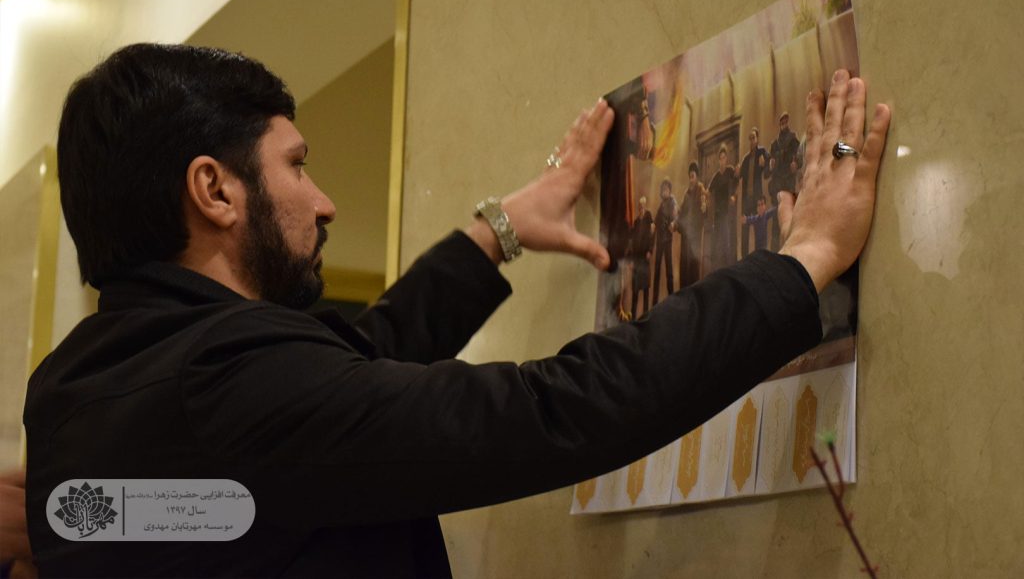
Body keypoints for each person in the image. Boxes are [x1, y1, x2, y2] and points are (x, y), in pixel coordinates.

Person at [22, 45, 888, 577]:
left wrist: (498, 230)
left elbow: (351, 383)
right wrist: (803, 258)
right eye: (296, 164)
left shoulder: (76, 393)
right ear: (214, 189)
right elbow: (551, 411)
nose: (323, 202)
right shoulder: (225, 386)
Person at [768, 111, 802, 250]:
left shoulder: (793, 140)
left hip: (788, 183)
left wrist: (796, 164)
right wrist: (771, 164)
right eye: (781, 122)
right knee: (776, 220)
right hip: (777, 184)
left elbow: (799, 157)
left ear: (788, 122)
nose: (783, 124)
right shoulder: (774, 144)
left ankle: (788, 250)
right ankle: (774, 251)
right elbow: (770, 164)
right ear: (779, 124)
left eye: (785, 121)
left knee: (788, 218)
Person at [737, 128, 770, 256]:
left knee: (759, 229)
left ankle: (759, 258)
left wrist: (764, 163)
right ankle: (744, 259)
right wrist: (737, 172)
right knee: (744, 228)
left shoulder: (762, 152)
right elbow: (738, 176)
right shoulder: (745, 159)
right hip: (747, 200)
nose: (751, 141)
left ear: (757, 139)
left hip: (757, 199)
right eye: (750, 138)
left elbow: (769, 165)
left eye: (753, 138)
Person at [675, 162, 706, 288]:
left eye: (693, 176)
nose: (691, 179)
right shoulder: (686, 193)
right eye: (690, 177)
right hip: (686, 235)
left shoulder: (701, 190)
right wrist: (675, 224)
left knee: (694, 265)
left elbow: (705, 209)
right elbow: (681, 212)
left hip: (695, 235)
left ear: (697, 176)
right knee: (684, 264)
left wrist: (704, 208)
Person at [707, 144, 738, 270]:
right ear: (718, 160)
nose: (722, 160)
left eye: (724, 158)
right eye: (720, 158)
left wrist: (734, 196)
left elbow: (737, 181)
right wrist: (706, 201)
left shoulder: (730, 171)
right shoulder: (716, 176)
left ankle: (729, 269)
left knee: (727, 242)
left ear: (726, 159)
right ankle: (716, 270)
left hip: (727, 212)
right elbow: (708, 191)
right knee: (716, 243)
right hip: (717, 214)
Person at [651, 179, 677, 304]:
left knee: (669, 270)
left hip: (667, 240)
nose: (664, 192)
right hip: (660, 240)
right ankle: (654, 300)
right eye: (663, 190)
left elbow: (675, 217)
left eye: (666, 189)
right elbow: (656, 220)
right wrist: (653, 224)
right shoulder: (661, 204)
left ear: (669, 190)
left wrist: (673, 223)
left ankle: (671, 298)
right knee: (657, 270)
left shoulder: (672, 202)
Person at [628, 196, 654, 320]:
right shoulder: (636, 222)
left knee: (645, 289)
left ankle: (645, 316)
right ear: (638, 207)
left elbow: (652, 236)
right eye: (640, 205)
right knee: (635, 289)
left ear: (645, 206)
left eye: (643, 205)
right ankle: (633, 317)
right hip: (636, 259)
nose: (641, 207)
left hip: (645, 258)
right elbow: (632, 242)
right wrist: (631, 260)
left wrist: (650, 250)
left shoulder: (649, 218)